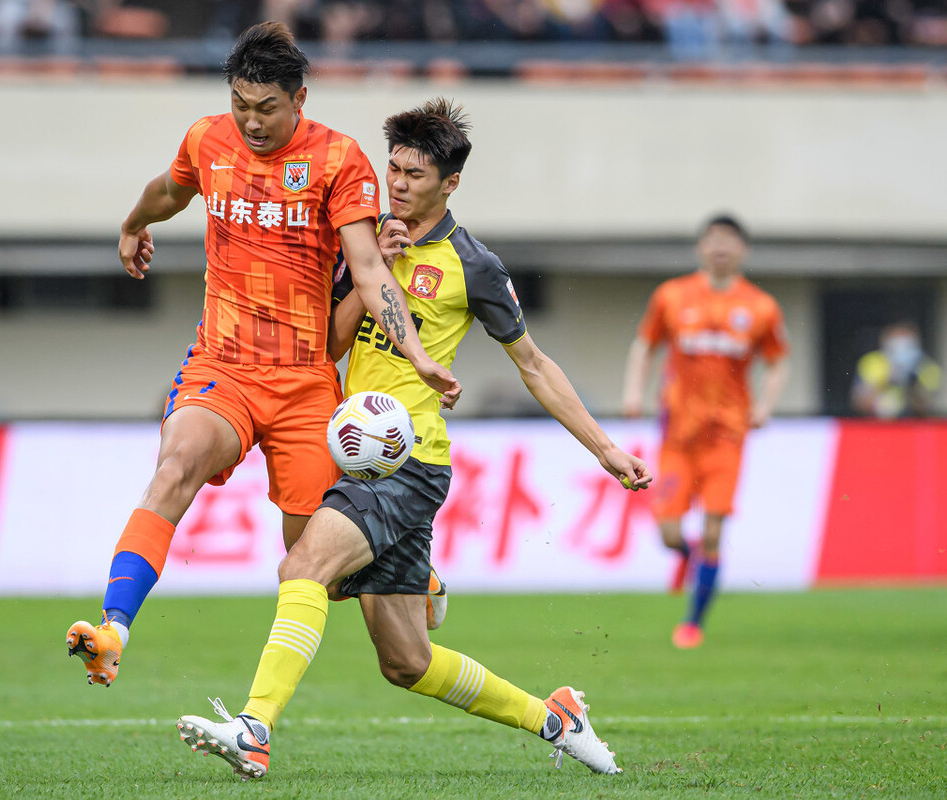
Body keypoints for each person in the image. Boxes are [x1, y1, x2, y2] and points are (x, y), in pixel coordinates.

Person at [174, 98, 651, 780]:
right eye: (392, 168)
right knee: (406, 662)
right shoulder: (359, 244)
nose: (396, 184)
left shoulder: (473, 266)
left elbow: (534, 365)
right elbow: (326, 349)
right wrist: (366, 278)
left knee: (301, 568)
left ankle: (254, 728)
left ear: (450, 183)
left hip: (409, 459)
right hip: (355, 456)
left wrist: (605, 449)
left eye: (415, 175)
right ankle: (555, 717)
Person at [66, 22, 460, 688]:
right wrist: (134, 224)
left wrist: (416, 355)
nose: (250, 121)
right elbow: (170, 188)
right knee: (177, 463)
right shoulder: (206, 139)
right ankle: (113, 630)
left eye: (266, 108)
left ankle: (408, 567)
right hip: (221, 365)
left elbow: (367, 268)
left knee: (313, 565)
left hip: (305, 383)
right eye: (240, 105)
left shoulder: (339, 159)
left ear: (299, 98)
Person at [622, 213, 789, 649]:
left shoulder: (760, 307)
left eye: (729, 241)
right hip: (678, 434)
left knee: (714, 530)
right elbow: (646, 344)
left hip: (727, 435)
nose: (720, 248)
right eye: (713, 240)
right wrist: (634, 392)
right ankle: (688, 558)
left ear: (742, 251)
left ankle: (693, 622)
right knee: (669, 533)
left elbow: (778, 361)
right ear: (701, 248)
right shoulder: (672, 296)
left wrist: (766, 407)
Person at [851, 321, 942, 419]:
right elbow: (858, 403)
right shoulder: (872, 362)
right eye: (897, 344)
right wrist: (887, 380)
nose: (902, 349)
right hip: (878, 424)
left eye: (907, 345)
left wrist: (910, 383)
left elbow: (928, 408)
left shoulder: (928, 368)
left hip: (912, 426)